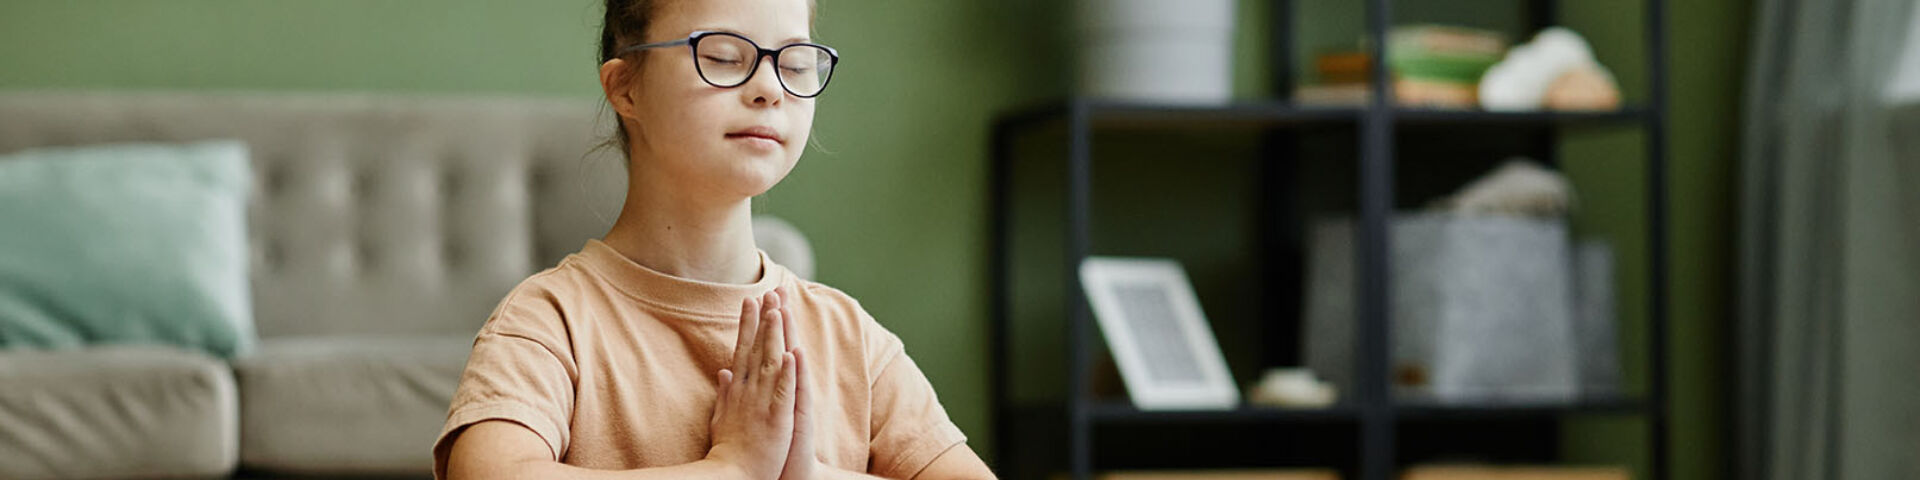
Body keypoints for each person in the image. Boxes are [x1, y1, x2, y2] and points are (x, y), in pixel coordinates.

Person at [432, 0, 995, 478]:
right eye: (724, 57)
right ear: (626, 87)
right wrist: (730, 469)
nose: (770, 89)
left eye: (795, 65)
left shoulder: (851, 338)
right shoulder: (550, 320)